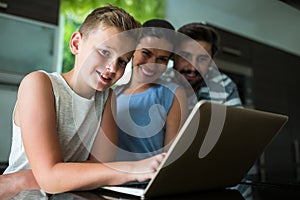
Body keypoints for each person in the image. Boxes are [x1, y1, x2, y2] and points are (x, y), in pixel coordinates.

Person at [0, 5, 166, 199]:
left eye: (122, 61)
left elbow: (99, 170)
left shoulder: (107, 98)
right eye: (104, 52)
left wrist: (24, 179)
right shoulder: (40, 84)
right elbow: (50, 179)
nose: (112, 68)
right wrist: (133, 169)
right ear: (76, 44)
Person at [114, 19, 188, 162]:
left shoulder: (172, 94)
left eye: (162, 59)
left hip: (146, 182)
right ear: (133, 49)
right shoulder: (114, 93)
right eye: (146, 53)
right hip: (109, 181)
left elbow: (172, 157)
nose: (152, 65)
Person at [163, 22, 242, 110]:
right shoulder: (157, 82)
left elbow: (237, 123)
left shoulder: (225, 85)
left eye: (202, 59)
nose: (193, 68)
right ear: (173, 55)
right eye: (185, 56)